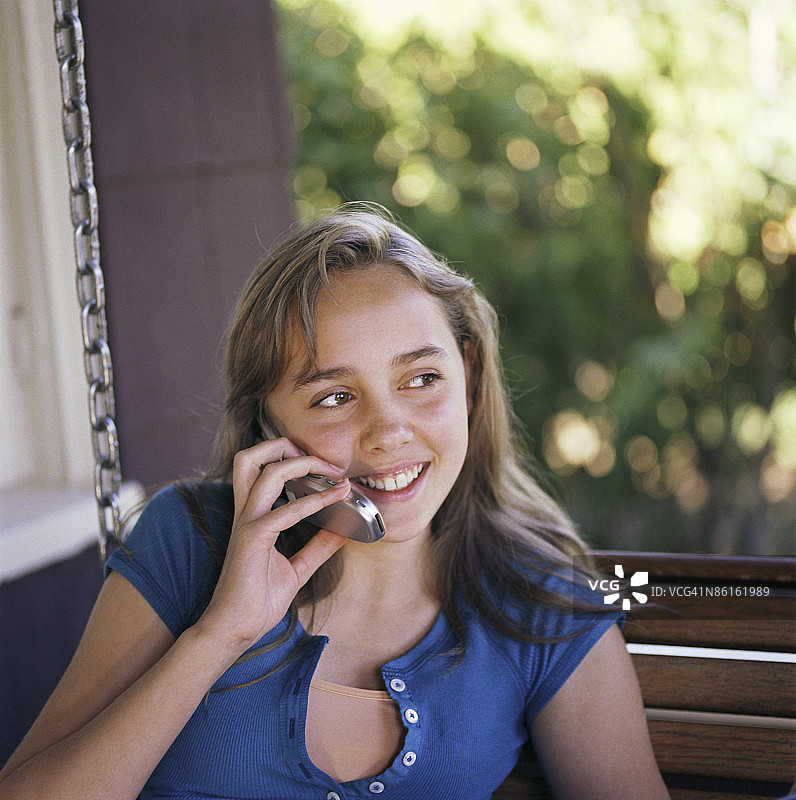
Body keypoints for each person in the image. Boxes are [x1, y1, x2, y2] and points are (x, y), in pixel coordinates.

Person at [0, 206, 668, 799]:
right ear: (267, 423)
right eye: (334, 397)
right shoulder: (190, 541)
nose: (388, 433)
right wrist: (221, 634)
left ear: (467, 375)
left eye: (422, 379)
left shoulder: (544, 607)